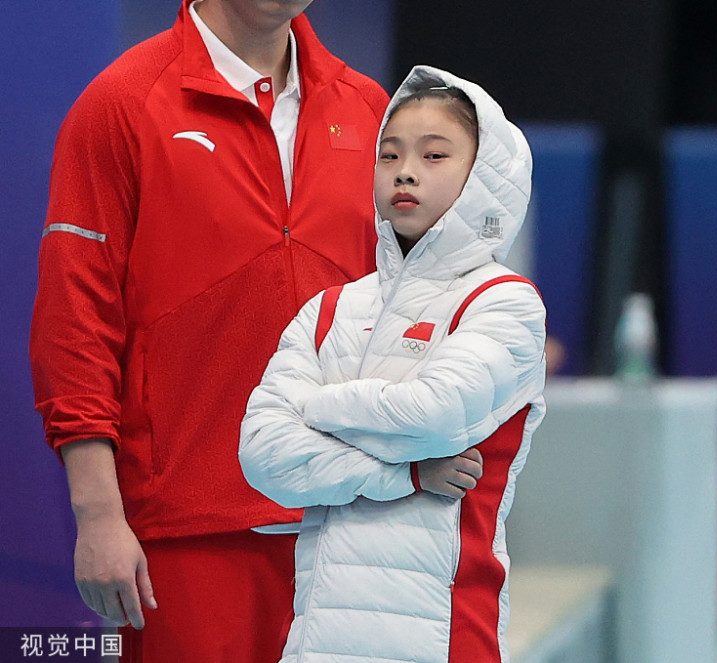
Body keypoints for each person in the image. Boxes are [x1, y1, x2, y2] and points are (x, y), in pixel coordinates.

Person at [29, 1, 388, 660]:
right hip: (191, 534)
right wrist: (98, 513)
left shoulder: (367, 109)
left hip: (348, 529)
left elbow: (399, 307)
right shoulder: (121, 103)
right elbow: (74, 319)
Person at [239, 65, 546, 662]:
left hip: (442, 638)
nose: (405, 171)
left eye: (434, 156)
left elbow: (430, 416)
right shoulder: (330, 309)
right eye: (389, 154)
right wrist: (404, 476)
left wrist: (315, 409)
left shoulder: (504, 302)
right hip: (315, 643)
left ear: (484, 179)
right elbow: (262, 456)